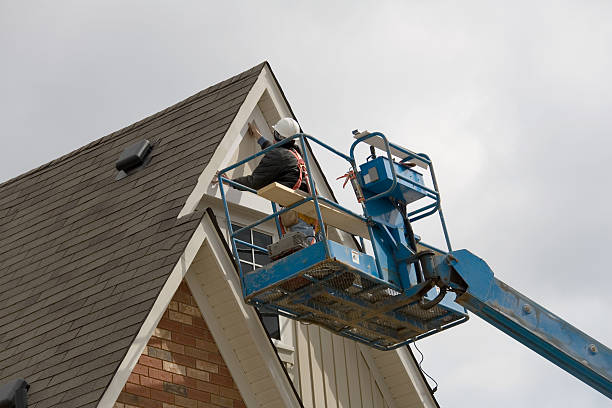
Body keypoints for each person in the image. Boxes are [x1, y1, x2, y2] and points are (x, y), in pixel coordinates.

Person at [215, 118, 321, 243]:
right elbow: (276, 151)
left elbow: (255, 182)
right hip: (313, 217)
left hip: (298, 218)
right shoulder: (295, 154)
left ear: (276, 134)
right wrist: (259, 137)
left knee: (304, 254)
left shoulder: (279, 156)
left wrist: (229, 181)